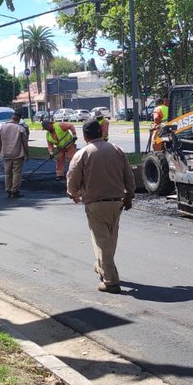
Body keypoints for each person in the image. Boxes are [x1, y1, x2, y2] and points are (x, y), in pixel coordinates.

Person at [66, 119, 136, 294]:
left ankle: (111, 281)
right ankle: (101, 266)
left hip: (95, 203)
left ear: (85, 136)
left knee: (102, 240)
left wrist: (72, 192)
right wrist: (130, 195)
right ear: (101, 133)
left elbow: (73, 176)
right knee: (110, 238)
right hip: (116, 203)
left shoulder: (83, 154)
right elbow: (129, 175)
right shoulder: (116, 150)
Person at [0, 112, 29, 198]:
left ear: (12, 118)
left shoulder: (2, 127)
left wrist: (0, 151)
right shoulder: (20, 128)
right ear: (18, 119)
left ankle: (8, 189)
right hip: (18, 153)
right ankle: (14, 190)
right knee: (16, 172)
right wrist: (27, 154)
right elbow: (25, 143)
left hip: (6, 153)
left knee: (7, 173)